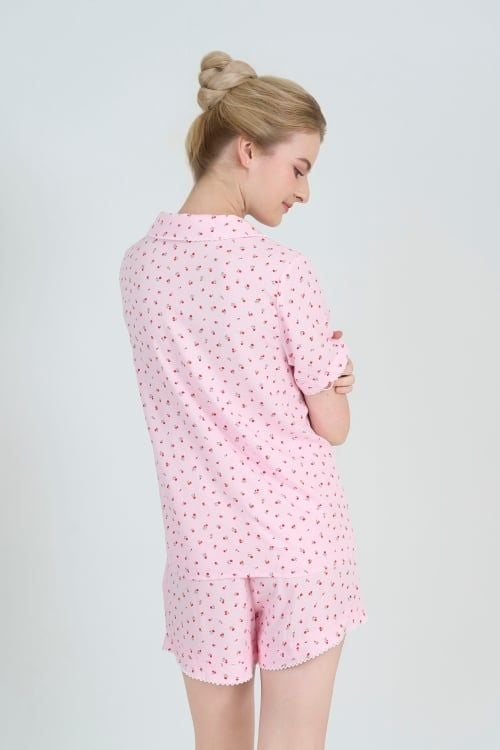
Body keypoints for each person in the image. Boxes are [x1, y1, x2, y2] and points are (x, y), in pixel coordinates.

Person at [118, 49, 368, 750]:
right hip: (300, 544)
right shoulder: (283, 271)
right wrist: (337, 374)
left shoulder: (138, 268)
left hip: (204, 555)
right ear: (248, 149)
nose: (304, 192)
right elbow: (333, 424)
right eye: (300, 168)